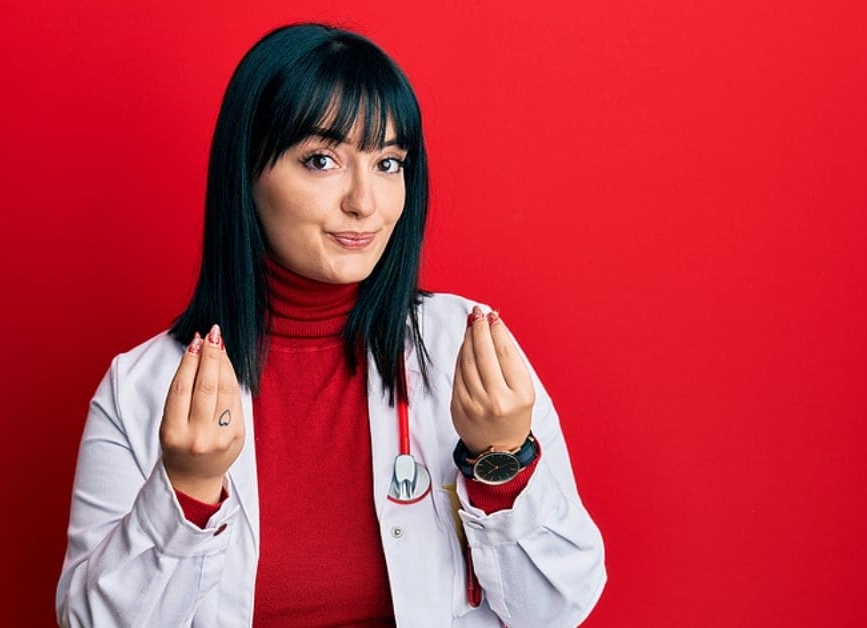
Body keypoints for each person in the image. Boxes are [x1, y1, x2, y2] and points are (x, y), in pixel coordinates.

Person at [55, 22, 606, 627]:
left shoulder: (464, 349)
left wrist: (503, 460)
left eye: (389, 162)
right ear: (247, 173)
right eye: (322, 160)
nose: (364, 202)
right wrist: (185, 491)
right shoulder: (140, 386)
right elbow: (88, 622)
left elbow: (557, 608)